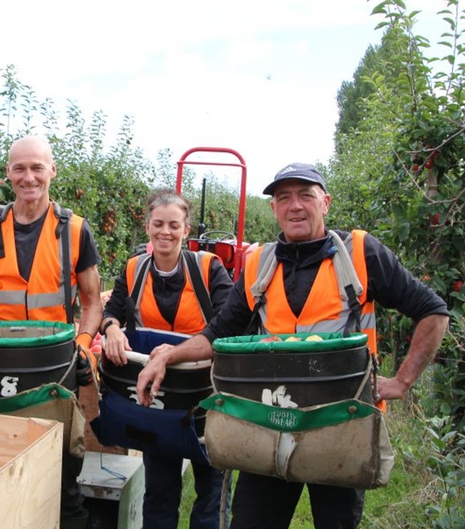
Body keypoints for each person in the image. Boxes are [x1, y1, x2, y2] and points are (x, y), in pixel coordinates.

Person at [135, 163, 450, 529]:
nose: (295, 206)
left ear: (326, 203)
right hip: (269, 423)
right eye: (284, 198)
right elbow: (217, 332)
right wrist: (167, 356)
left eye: (306, 195)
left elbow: (432, 311)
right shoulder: (259, 264)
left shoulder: (361, 253)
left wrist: (403, 381)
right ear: (274, 209)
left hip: (339, 428)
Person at [0, 136, 103, 529]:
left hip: (52, 368)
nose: (28, 177)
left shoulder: (75, 230)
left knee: (62, 478)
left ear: (52, 170)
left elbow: (91, 302)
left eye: (37, 167)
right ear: (8, 174)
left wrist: (83, 343)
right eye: (19, 168)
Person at [101, 189, 234, 529]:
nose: (165, 232)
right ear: (147, 227)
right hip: (157, 402)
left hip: (206, 399)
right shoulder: (135, 269)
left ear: (186, 230)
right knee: (159, 493)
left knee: (211, 492)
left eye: (174, 225)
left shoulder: (208, 269)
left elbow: (230, 323)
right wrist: (112, 328)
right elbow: (112, 310)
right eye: (158, 224)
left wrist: (178, 353)